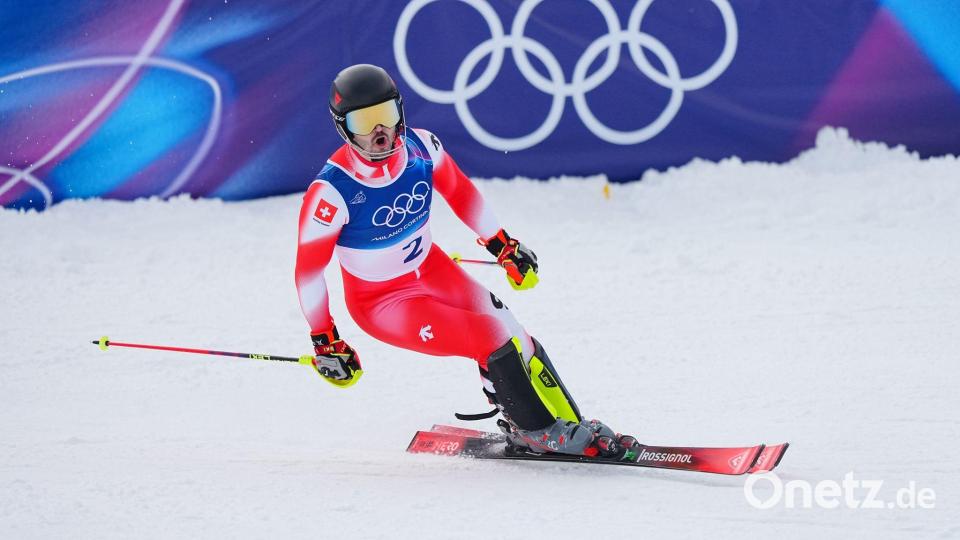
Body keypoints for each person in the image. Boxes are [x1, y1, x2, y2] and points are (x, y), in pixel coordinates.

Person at [295, 64, 634, 458]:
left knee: (512, 331)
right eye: (363, 122)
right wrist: (325, 339)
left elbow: (460, 193)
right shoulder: (330, 193)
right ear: (343, 127)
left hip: (431, 268)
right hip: (382, 301)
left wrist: (503, 246)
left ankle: (564, 423)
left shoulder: (423, 148)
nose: (379, 131)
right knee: (489, 337)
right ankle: (537, 432)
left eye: (386, 115)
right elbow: (308, 273)